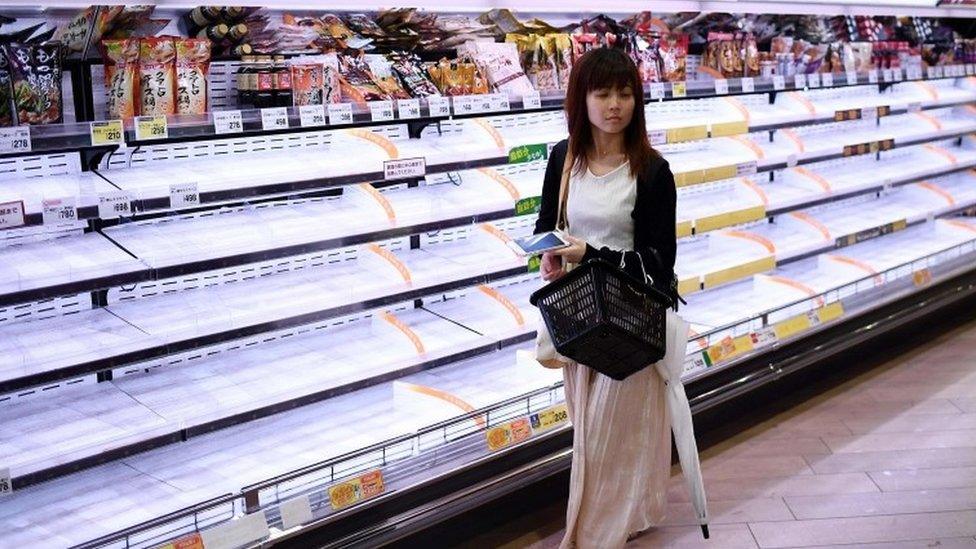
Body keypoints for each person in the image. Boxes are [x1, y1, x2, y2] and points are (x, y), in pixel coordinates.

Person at [533, 47, 678, 549]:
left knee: (605, 435)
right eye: (602, 93)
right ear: (582, 99)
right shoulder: (562, 158)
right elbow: (547, 227)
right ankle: (626, 512)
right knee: (593, 435)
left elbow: (660, 265)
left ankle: (590, 537)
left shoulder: (653, 172)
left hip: (631, 320)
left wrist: (591, 253)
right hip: (577, 316)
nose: (614, 104)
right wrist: (548, 256)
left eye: (625, 93)